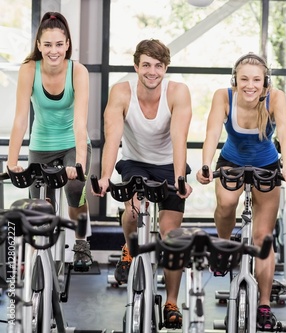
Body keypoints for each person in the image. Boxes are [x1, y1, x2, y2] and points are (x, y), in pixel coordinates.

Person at [92, 39, 192, 328]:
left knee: (171, 235)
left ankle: (171, 302)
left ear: (165, 68)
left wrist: (181, 179)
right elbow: (112, 138)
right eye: (146, 65)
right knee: (134, 213)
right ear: (136, 66)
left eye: (158, 66)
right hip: (135, 162)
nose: (151, 71)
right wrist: (104, 176)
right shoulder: (122, 92)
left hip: (169, 164)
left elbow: (179, 139)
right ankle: (129, 246)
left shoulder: (177, 92)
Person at [196, 52, 286, 330]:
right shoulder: (223, 96)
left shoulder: (275, 98)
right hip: (232, 161)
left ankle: (264, 305)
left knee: (264, 237)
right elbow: (212, 133)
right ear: (235, 80)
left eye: (256, 80)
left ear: (265, 81)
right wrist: (205, 164)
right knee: (227, 204)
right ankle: (224, 246)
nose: (250, 85)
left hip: (267, 164)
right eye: (244, 79)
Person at [7, 11, 93, 271]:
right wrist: (12, 162)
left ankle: (81, 244)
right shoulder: (29, 70)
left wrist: (78, 163)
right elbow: (21, 119)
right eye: (47, 45)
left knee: (75, 191)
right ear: (38, 45)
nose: (53, 51)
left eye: (59, 44)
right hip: (41, 144)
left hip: (72, 142)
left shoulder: (77, 71)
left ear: (67, 44)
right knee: (38, 208)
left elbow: (80, 123)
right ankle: (37, 260)